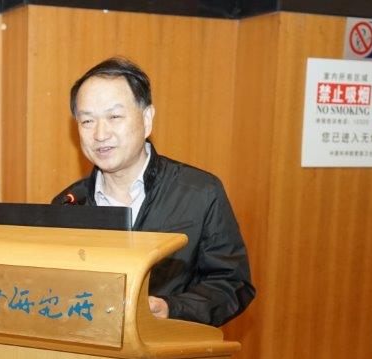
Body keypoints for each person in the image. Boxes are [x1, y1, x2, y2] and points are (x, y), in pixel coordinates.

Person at [53, 57, 255, 328]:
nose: (100, 134)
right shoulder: (68, 204)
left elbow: (232, 284)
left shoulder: (200, 193)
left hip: (171, 348)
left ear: (147, 119)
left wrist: (172, 308)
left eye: (114, 117)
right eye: (87, 121)